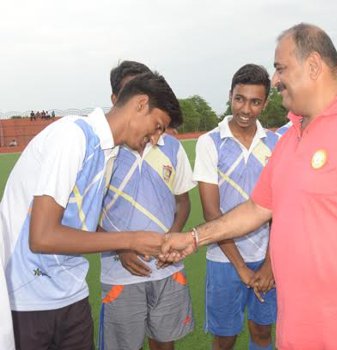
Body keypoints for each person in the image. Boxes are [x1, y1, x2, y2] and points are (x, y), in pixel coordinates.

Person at [162, 23, 337, 350]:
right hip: (299, 330)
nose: (275, 79)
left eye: (281, 69)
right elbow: (257, 208)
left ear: (313, 67)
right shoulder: (289, 139)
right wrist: (195, 238)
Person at [0, 71, 182, 349]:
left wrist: (125, 245)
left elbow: (81, 223)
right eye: (157, 126)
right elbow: (42, 237)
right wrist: (129, 240)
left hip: (72, 292)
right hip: (27, 297)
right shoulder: (73, 136)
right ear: (140, 103)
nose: (156, 138)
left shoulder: (107, 154)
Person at [98, 61, 196, 350]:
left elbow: (183, 201)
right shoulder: (102, 151)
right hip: (120, 272)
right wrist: (122, 248)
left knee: (165, 342)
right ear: (118, 100)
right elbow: (85, 214)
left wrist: (172, 238)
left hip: (167, 269)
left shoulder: (172, 147)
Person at [194, 64, 278, 350]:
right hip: (224, 260)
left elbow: (281, 211)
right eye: (240, 99)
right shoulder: (209, 143)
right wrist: (241, 267)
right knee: (225, 339)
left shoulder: (276, 143)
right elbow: (211, 213)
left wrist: (270, 264)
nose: (246, 109)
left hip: (267, 259)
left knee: (262, 333)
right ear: (230, 95)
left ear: (265, 103)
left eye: (255, 102)